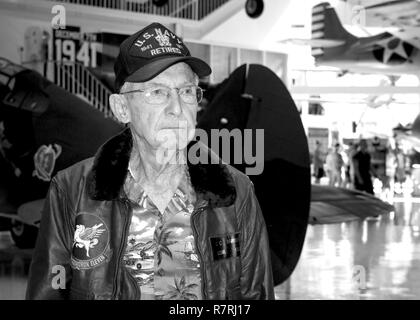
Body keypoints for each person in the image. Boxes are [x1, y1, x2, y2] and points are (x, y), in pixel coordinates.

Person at [26, 22, 274, 300]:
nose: (177, 109)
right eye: (158, 92)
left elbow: (257, 294)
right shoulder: (71, 191)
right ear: (122, 108)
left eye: (187, 91)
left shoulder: (236, 193)